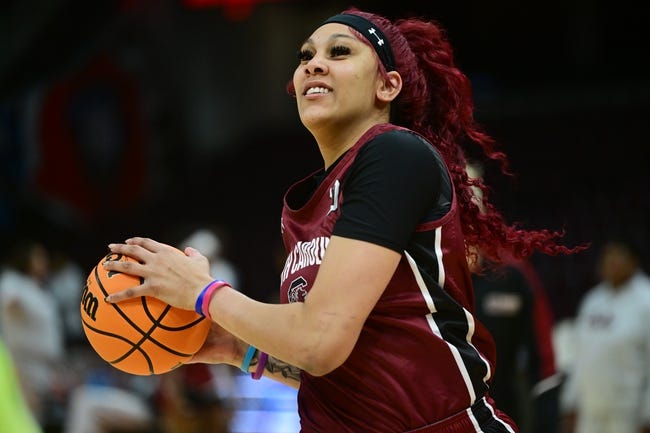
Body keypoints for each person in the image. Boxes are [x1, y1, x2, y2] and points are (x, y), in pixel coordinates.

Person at [103, 7, 585, 432]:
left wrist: (203, 293)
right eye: (305, 55)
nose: (314, 62)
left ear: (386, 84)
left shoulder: (393, 154)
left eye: (339, 52)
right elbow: (338, 368)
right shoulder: (308, 206)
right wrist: (239, 350)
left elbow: (320, 340)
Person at [560, 237, 650, 433]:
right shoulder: (593, 300)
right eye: (608, 255)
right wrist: (570, 401)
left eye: (619, 255)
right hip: (590, 409)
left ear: (634, 261)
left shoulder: (646, 300)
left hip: (628, 412)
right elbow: (580, 356)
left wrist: (647, 414)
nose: (612, 261)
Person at [471, 252, 563, 433]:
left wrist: (546, 411)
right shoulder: (430, 273)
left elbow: (543, 349)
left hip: (502, 406)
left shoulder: (513, 274)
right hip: (446, 407)